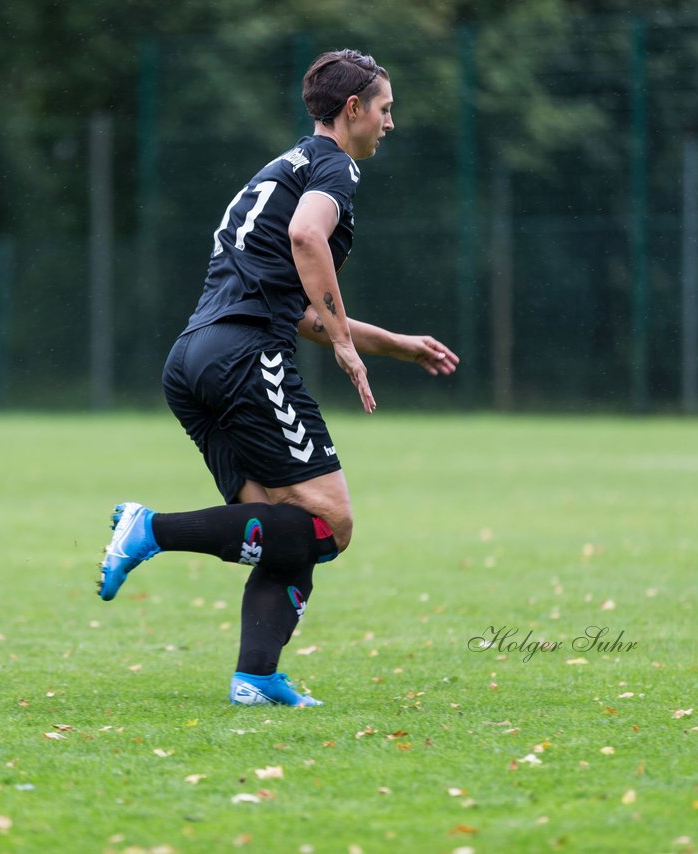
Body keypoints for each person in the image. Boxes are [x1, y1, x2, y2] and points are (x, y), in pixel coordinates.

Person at [98, 49, 460, 707]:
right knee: (330, 524)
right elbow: (305, 238)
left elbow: (302, 312)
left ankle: (256, 677)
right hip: (244, 359)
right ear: (352, 110)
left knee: (283, 534)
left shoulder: (281, 168)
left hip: (192, 361)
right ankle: (149, 530)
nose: (390, 123)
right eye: (385, 109)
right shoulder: (333, 166)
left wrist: (392, 346)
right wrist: (347, 348)